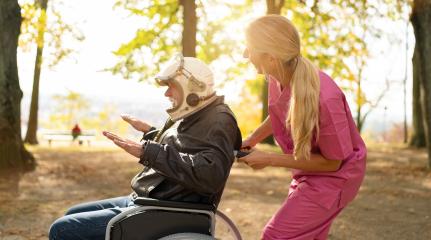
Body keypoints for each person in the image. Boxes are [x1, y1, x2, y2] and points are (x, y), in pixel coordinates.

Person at [48, 54, 242, 240]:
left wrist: (147, 151)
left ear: (191, 87)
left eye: (171, 87)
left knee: (64, 229)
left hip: (166, 209)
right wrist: (150, 133)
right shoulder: (196, 114)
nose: (166, 93)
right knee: (72, 213)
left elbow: (210, 174)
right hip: (149, 199)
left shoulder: (218, 120)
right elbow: (183, 147)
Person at [238, 15, 366, 240]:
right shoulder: (276, 77)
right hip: (307, 172)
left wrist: (269, 159)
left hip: (335, 179)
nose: (245, 55)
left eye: (249, 50)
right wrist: (253, 138)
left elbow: (333, 162)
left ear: (270, 57)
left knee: (275, 236)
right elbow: (280, 112)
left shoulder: (325, 98)